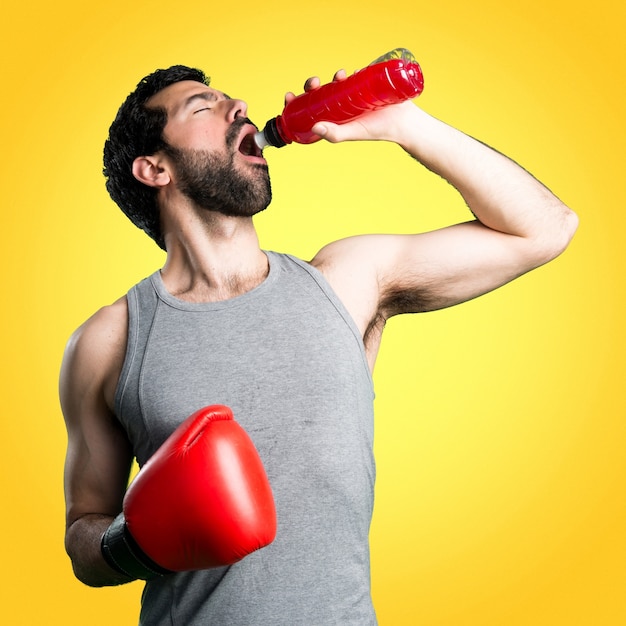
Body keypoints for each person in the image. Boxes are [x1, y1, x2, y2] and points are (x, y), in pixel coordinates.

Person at [59, 63, 578, 625]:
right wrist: (134, 542)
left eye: (234, 99)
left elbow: (546, 229)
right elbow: (84, 534)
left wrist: (405, 125)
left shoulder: (349, 281)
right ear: (154, 168)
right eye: (204, 107)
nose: (240, 108)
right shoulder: (109, 340)